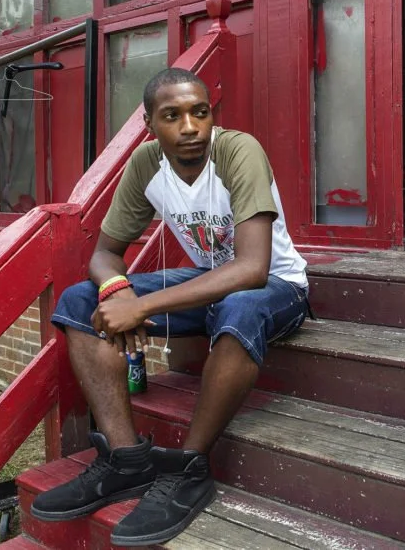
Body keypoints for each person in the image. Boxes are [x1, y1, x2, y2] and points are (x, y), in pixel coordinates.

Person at [30, 67, 309, 547]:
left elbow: (252, 269)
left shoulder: (237, 151)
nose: (189, 127)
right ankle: (126, 461)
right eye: (172, 115)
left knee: (239, 306)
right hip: (208, 283)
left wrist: (142, 307)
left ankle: (189, 468)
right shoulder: (145, 164)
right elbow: (104, 253)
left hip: (279, 288)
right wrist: (118, 289)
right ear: (149, 123)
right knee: (81, 298)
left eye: (200, 112)